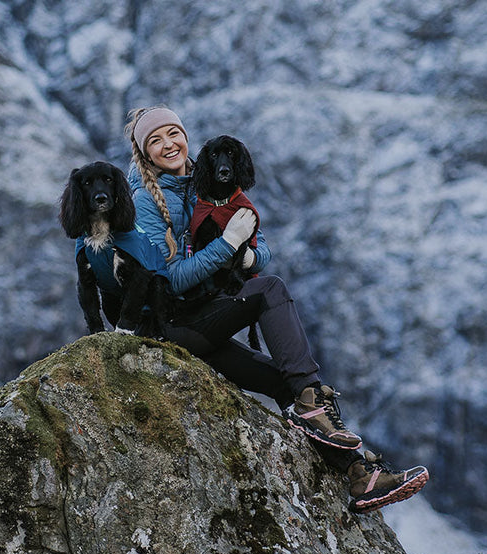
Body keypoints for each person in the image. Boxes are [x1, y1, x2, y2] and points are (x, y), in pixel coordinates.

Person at [123, 105, 428, 512]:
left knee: (287, 385)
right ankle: (312, 402)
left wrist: (248, 256)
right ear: (145, 153)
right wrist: (229, 245)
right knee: (269, 292)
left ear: (185, 134)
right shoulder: (145, 201)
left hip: (206, 320)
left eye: (172, 133)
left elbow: (260, 243)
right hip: (173, 325)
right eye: (155, 141)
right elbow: (171, 280)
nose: (168, 145)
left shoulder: (210, 175)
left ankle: (360, 476)